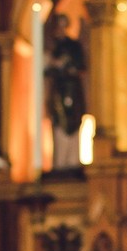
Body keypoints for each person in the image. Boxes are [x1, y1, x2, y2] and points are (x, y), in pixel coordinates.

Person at [44, 13, 86, 172]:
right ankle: (60, 163)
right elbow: (47, 70)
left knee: (73, 124)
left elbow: (80, 68)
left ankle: (72, 162)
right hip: (58, 91)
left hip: (72, 90)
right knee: (59, 125)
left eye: (63, 25)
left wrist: (67, 66)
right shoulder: (51, 46)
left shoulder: (73, 46)